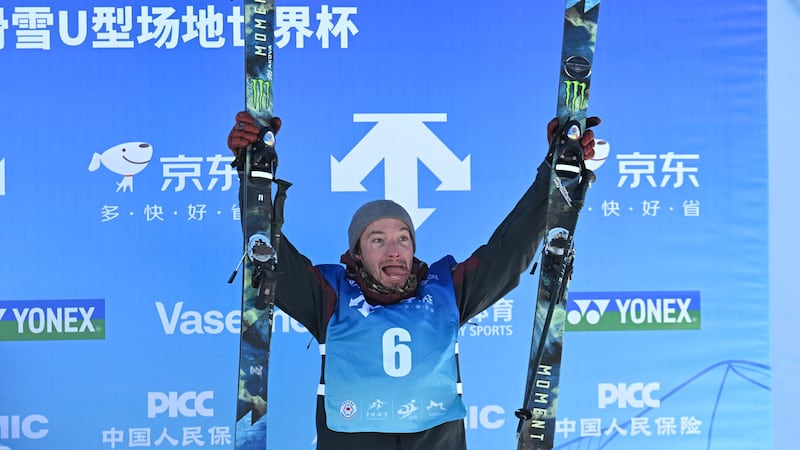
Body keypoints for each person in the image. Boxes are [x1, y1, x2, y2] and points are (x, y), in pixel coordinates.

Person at [227, 112, 599, 450]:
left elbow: (508, 250)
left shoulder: (445, 290)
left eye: (403, 238)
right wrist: (254, 177)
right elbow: (268, 252)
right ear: (357, 253)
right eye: (378, 240)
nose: (394, 250)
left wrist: (553, 176)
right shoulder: (329, 295)